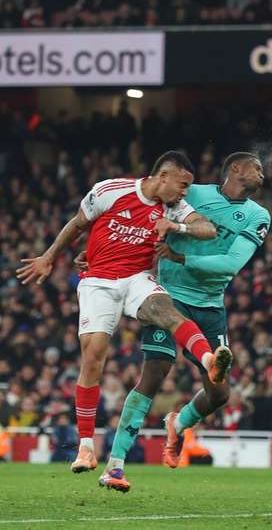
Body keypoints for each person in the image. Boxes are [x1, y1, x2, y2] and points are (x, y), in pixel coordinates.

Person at [16, 151, 233, 487]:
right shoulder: (110, 190)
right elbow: (78, 223)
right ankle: (86, 447)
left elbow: (207, 229)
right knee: (94, 356)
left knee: (166, 310)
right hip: (99, 281)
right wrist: (49, 257)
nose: (185, 193)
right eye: (183, 184)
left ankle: (209, 360)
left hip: (137, 278)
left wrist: (175, 225)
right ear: (164, 176)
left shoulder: (172, 206)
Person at [89, 152, 268, 492]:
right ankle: (115, 465)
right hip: (167, 297)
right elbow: (144, 216)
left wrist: (179, 255)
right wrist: (100, 249)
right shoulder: (193, 193)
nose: (262, 172)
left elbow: (231, 264)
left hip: (210, 306)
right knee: (154, 375)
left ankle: (179, 421)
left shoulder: (259, 215)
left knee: (220, 394)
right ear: (235, 168)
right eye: (255, 166)